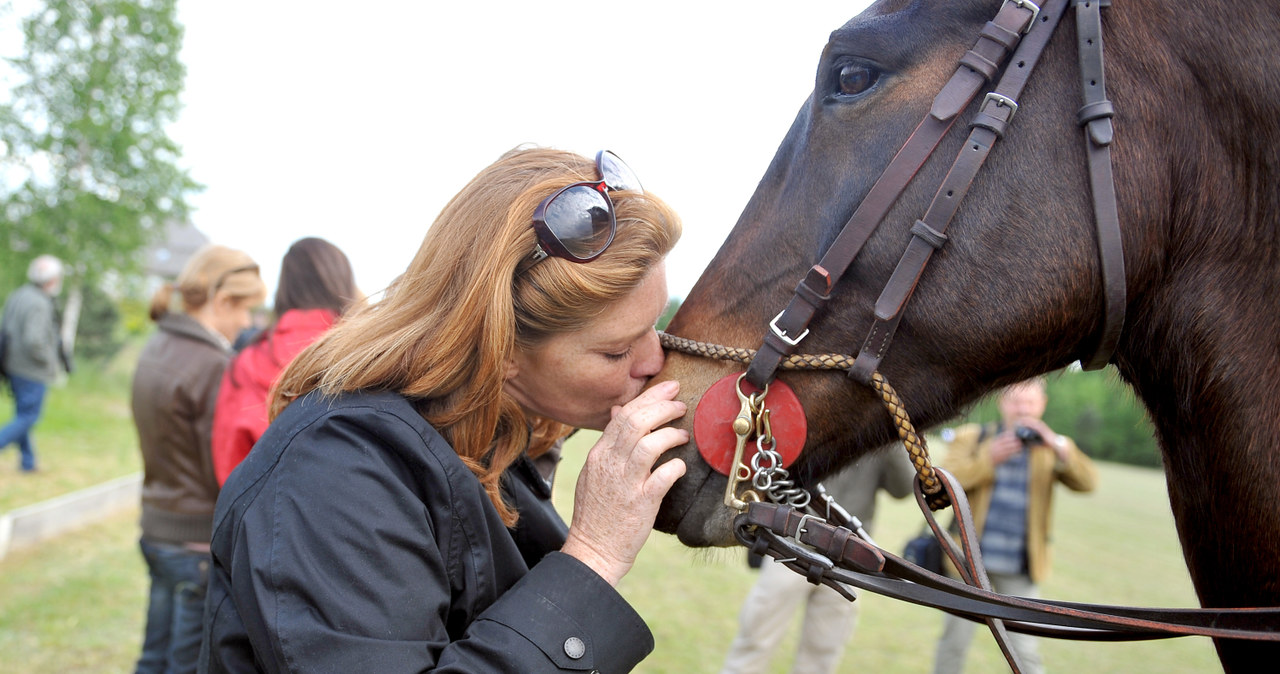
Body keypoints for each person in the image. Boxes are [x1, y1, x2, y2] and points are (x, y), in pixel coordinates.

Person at [199, 147, 686, 673]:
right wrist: (593, 556)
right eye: (617, 350)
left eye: (654, 327)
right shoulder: (334, 475)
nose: (655, 361)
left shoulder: (474, 436)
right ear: (499, 350)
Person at [132, 246, 267, 674]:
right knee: (186, 665)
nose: (248, 322)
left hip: (157, 526)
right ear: (222, 301)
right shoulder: (213, 365)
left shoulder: (158, 345)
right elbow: (225, 462)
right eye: (246, 309)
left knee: (153, 657)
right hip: (193, 539)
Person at [931, 378, 1098, 674]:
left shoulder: (1050, 447)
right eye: (1016, 401)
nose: (1023, 409)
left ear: (1042, 405)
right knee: (954, 643)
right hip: (967, 564)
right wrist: (989, 458)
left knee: (1025, 651)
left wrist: (1057, 445)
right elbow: (939, 485)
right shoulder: (973, 437)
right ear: (1002, 403)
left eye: (1030, 402)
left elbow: (1088, 482)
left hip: (1020, 568)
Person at [720, 448, 916, 674]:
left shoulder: (883, 430)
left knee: (823, 654)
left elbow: (902, 487)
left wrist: (895, 435)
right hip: (792, 546)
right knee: (755, 638)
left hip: (849, 559)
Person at [210, 236, 360, 486]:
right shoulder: (364, 353)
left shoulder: (247, 361)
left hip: (266, 517)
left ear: (284, 287)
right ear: (343, 282)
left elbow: (229, 466)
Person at [0, 254, 67, 472]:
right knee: (27, 417)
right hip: (31, 369)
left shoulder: (19, 295)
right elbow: (34, 341)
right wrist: (50, 363)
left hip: (12, 365)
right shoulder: (39, 303)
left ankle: (28, 463)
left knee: (22, 414)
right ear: (52, 279)